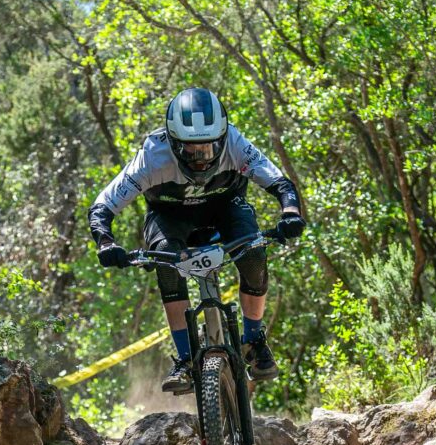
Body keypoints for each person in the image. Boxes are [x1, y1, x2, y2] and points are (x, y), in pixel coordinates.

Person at [89, 87, 306, 394]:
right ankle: (185, 358)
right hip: (170, 216)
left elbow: (280, 183)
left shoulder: (235, 142)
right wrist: (105, 243)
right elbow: (103, 206)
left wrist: (290, 213)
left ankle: (254, 340)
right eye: (191, 150)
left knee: (253, 252)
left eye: (208, 147)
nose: (201, 157)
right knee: (165, 261)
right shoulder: (152, 155)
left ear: (222, 137)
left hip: (225, 209)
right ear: (172, 142)